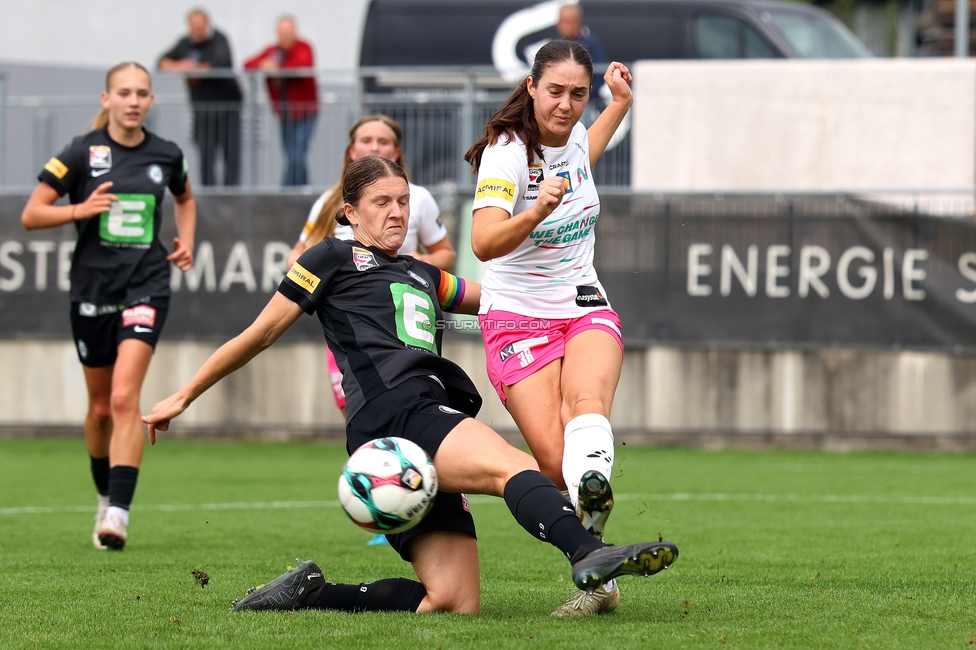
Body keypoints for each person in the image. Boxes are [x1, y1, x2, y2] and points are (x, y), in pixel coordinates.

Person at [142, 155, 676, 615]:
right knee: (511, 465)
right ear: (350, 212)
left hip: (420, 417)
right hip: (394, 416)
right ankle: (588, 554)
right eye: (381, 202)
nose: (397, 212)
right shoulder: (330, 257)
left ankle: (311, 593)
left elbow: (501, 298)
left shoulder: (423, 273)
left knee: (452, 602)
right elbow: (260, 334)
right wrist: (185, 394)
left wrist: (577, 294)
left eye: (402, 201)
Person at [463, 40, 632, 616]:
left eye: (578, 95)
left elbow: (588, 146)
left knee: (588, 405)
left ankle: (599, 580)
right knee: (557, 461)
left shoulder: (579, 136)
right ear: (531, 87)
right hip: (517, 316)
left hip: (583, 301)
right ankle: (591, 526)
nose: (566, 104)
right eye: (555, 91)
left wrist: (620, 103)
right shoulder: (507, 154)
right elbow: (483, 242)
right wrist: (535, 212)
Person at [21, 61, 196, 551]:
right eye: (124, 92)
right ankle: (104, 496)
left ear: (151, 101)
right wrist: (79, 209)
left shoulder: (167, 153)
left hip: (147, 285)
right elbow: (31, 213)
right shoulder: (82, 152)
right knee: (99, 410)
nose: (134, 100)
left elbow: (186, 199)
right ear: (106, 100)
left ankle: (118, 514)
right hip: (91, 290)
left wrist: (186, 241)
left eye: (142, 92)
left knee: (124, 399)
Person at [288, 116, 457, 547]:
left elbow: (446, 254)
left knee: (403, 395)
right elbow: (300, 252)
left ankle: (395, 491)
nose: (374, 146)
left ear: (397, 152)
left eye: (383, 141)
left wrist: (410, 265)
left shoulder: (417, 198)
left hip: (403, 315)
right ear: (350, 149)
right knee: (361, 399)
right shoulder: (329, 205)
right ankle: (387, 486)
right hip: (352, 322)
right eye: (365, 140)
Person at [159, 8, 243, 186]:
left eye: (200, 25)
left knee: (231, 154)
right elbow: (162, 62)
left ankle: (231, 195)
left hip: (228, 110)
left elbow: (221, 64)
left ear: (207, 24)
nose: (197, 29)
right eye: (193, 26)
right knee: (205, 153)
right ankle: (209, 195)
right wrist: (181, 65)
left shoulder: (219, 40)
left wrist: (196, 68)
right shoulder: (185, 44)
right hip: (202, 111)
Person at [244, 15, 318, 186]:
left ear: (295, 31)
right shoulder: (272, 51)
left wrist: (278, 67)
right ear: (277, 33)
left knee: (296, 156)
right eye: (282, 32)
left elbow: (303, 64)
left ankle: (287, 191)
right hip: (285, 114)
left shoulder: (303, 47)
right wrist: (264, 64)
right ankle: (302, 191)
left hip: (306, 112)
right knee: (292, 156)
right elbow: (248, 64)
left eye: (289, 31)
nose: (286, 35)